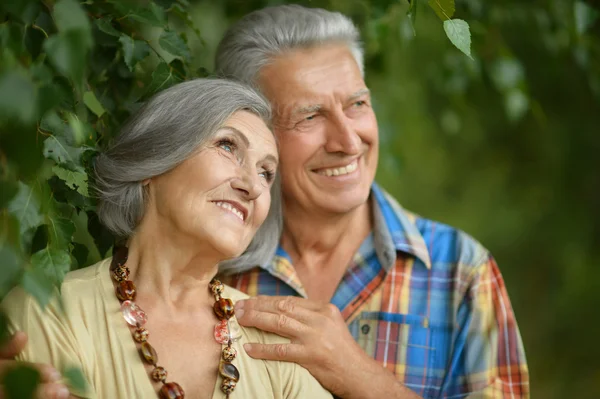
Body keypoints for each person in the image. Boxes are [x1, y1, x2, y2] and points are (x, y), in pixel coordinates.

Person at [213, 5, 530, 399]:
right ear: (252, 130)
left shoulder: (461, 271)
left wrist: (359, 376)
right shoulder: (213, 269)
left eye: (357, 105)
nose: (348, 142)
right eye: (310, 116)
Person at [0, 78, 331, 399]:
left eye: (266, 173)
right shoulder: (49, 311)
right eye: (227, 145)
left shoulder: (274, 339)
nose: (254, 186)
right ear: (152, 163)